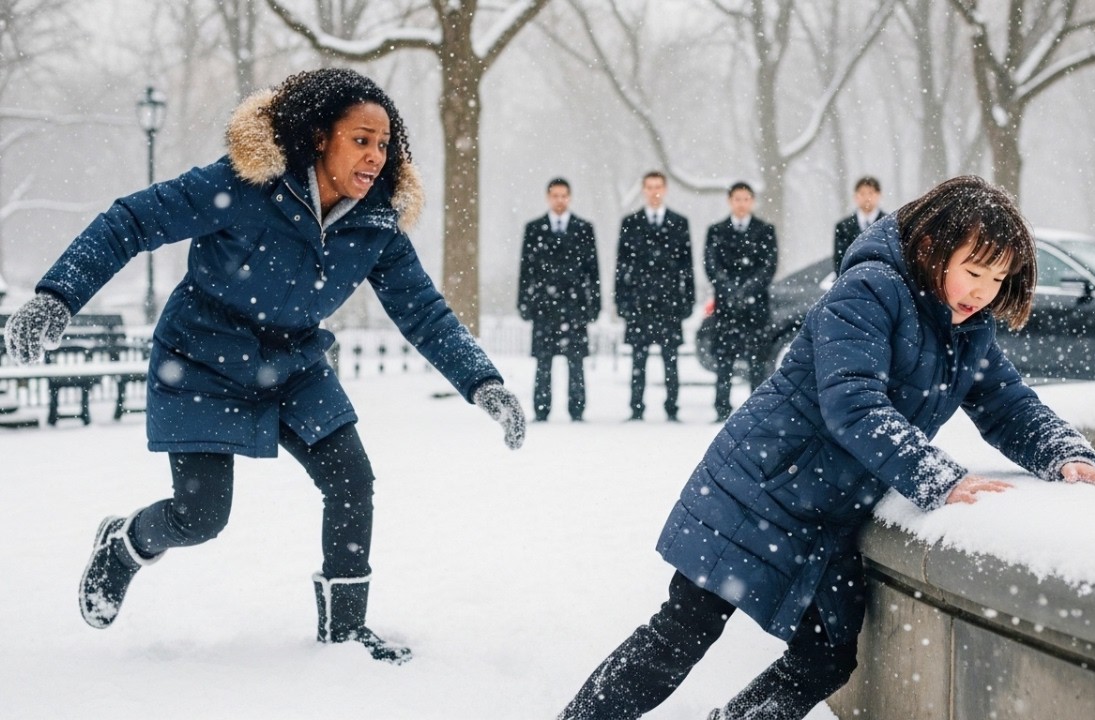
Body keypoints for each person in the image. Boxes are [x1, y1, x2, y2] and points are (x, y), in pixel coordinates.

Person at [557, 175, 1095, 719]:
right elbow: (852, 405)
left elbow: (1006, 402)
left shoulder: (964, 325)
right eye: (975, 272)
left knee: (827, 658)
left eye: (998, 280)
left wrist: (1065, 454)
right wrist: (939, 478)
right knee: (683, 632)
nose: (984, 294)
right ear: (933, 246)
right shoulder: (869, 291)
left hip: (829, 511)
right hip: (759, 485)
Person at [2, 68, 526, 665]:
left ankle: (345, 636)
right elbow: (133, 220)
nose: (376, 156)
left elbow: (424, 313)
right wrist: (58, 295)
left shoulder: (375, 223)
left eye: (384, 144)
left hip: (293, 364)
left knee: (352, 480)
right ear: (320, 137)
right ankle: (124, 544)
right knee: (200, 517)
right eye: (361, 139)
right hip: (202, 357)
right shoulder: (245, 185)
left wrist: (483, 382)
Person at [518, 178, 601, 422]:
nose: (559, 200)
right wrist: (524, 302)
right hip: (544, 307)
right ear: (548, 197)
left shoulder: (584, 228)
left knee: (576, 362)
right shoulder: (534, 229)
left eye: (564, 195)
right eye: (555, 195)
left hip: (574, 306)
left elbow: (592, 271)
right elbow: (526, 270)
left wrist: (594, 304)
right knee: (543, 362)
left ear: (570, 197)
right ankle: (541, 409)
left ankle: (577, 410)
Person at [615, 171, 695, 422]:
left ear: (666, 189)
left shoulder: (679, 223)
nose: (654, 191)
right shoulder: (630, 223)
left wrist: (687, 300)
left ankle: (672, 409)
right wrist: (622, 301)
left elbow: (687, 266)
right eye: (649, 187)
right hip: (639, 304)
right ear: (643, 189)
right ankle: (636, 408)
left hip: (669, 304)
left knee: (670, 361)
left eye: (658, 186)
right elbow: (621, 267)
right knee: (638, 361)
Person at [704, 182, 777, 422]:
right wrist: (730, 290)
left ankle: (755, 410)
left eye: (746, 199)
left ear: (752, 201)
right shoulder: (716, 231)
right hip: (726, 308)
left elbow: (768, 267)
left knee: (757, 363)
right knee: (724, 362)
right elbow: (711, 266)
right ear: (729, 201)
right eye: (737, 199)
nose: (742, 204)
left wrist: (747, 291)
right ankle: (721, 408)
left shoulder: (765, 230)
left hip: (755, 308)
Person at [832, 175, 886, 273]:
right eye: (862, 193)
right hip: (852, 281)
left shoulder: (889, 224)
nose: (867, 198)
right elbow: (839, 262)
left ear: (879, 195)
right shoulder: (843, 226)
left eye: (871, 193)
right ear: (855, 196)